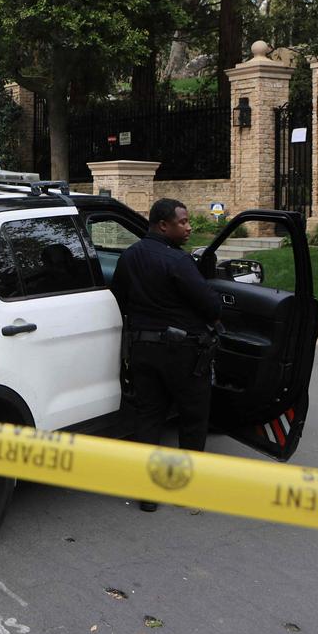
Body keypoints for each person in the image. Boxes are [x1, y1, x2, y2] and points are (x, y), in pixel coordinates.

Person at [111, 198, 222, 512]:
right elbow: (210, 305)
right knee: (193, 417)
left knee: (148, 418)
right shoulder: (178, 262)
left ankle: (148, 494)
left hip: (142, 350)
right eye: (183, 222)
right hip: (183, 353)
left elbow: (120, 297)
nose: (188, 228)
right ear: (163, 225)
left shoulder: (129, 257)